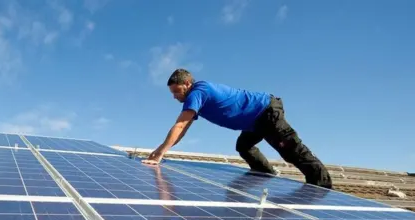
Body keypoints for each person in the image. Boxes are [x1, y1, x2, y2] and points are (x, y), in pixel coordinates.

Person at [142, 68, 333, 189]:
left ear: (187, 84)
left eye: (176, 91)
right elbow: (184, 127)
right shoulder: (199, 94)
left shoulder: (197, 93)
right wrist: (162, 150)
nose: (174, 96)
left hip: (265, 111)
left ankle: (323, 186)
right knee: (244, 146)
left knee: (291, 150)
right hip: (253, 121)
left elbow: (181, 124)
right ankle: (267, 173)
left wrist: (159, 153)